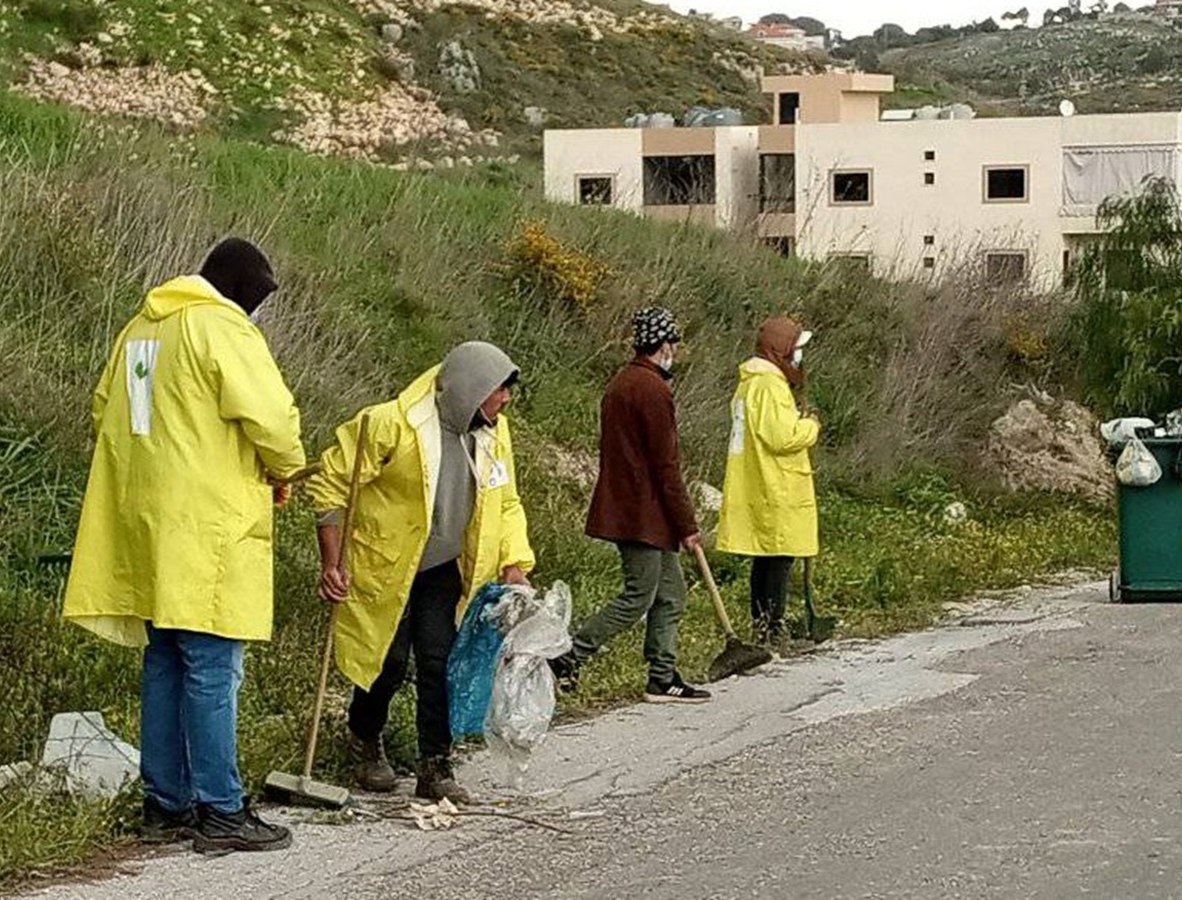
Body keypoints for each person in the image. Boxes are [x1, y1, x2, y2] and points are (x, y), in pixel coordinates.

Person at [62, 237, 306, 855]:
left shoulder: (142, 328)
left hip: (146, 521)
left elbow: (103, 411)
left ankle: (164, 804)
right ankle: (222, 809)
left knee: (165, 659)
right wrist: (283, 470)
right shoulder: (221, 328)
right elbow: (273, 421)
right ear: (242, 296)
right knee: (212, 666)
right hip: (206, 522)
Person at [312, 341, 534, 805]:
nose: (506, 400)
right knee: (387, 662)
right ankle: (364, 737)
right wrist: (331, 561)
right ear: (471, 390)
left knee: (440, 662)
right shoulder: (390, 426)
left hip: (443, 565)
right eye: (499, 391)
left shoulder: (494, 434)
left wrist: (515, 562)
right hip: (387, 564)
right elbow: (331, 485)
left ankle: (435, 764)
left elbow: (506, 500)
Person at [550, 307, 712, 704]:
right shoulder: (654, 390)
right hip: (645, 512)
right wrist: (687, 523)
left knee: (671, 593)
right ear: (663, 345)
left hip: (633, 507)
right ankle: (570, 657)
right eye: (673, 343)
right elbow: (665, 464)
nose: (675, 350)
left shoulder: (621, 382)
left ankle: (662, 676)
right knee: (639, 595)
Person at [716, 316, 820, 641]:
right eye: (796, 348)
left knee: (767, 558)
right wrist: (810, 427)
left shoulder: (751, 382)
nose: (798, 356)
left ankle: (763, 624)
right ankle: (771, 626)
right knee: (779, 558)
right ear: (780, 348)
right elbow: (781, 436)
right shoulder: (770, 385)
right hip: (776, 485)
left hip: (761, 482)